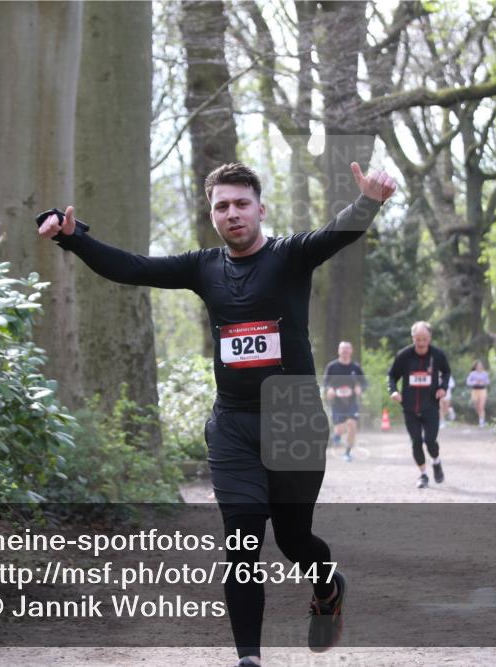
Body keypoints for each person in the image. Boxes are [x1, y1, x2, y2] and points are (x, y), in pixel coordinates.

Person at [37, 161, 396, 667]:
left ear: (260, 209)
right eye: (222, 206)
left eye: (241, 204)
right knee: (243, 544)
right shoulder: (203, 267)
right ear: (213, 214)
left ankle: (327, 585)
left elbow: (335, 234)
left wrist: (369, 201)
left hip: (293, 418)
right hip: (232, 424)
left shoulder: (290, 256)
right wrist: (73, 237)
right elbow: (133, 268)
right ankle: (248, 657)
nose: (232, 214)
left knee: (295, 539)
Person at [387, 322, 451, 489]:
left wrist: (443, 388)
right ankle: (423, 475)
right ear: (413, 338)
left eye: (424, 339)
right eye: (417, 339)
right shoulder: (404, 355)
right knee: (416, 442)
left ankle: (436, 462)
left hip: (430, 405)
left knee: (430, 440)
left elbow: (446, 372)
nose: (421, 343)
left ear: (430, 338)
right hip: (409, 407)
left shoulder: (437, 355)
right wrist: (393, 391)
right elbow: (392, 376)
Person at [322, 341, 367, 462]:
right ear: (339, 351)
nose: (345, 352)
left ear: (351, 351)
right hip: (337, 403)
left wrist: (360, 388)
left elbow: (364, 383)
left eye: (347, 349)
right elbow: (325, 382)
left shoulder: (355, 367)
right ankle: (336, 436)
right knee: (340, 429)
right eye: (343, 349)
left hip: (351, 402)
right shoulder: (332, 366)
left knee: (352, 425)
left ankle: (347, 453)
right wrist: (329, 389)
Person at [466, 359, 490, 427]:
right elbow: (468, 382)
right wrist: (475, 382)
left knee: (481, 406)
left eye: (480, 365)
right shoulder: (472, 374)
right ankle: (481, 418)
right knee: (477, 406)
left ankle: (481, 422)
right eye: (478, 365)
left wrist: (482, 382)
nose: (479, 367)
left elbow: (488, 381)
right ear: (476, 366)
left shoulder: (485, 373)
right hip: (475, 390)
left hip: (482, 390)